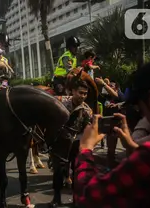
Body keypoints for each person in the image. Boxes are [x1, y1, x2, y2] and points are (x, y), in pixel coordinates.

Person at [74, 57, 150, 207]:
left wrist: (86, 149)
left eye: (140, 105)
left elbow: (90, 198)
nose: (142, 112)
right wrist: (131, 145)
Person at [51, 78, 93, 206]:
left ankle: (75, 199)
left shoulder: (86, 110)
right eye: (80, 92)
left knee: (76, 173)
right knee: (58, 171)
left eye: (85, 94)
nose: (83, 96)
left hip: (76, 143)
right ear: (73, 91)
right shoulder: (60, 103)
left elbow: (87, 129)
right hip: (60, 142)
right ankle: (56, 198)